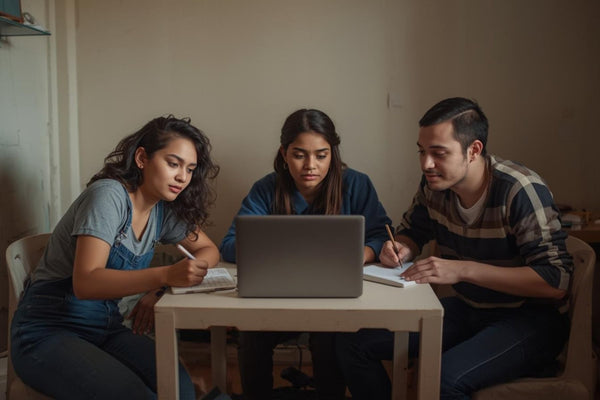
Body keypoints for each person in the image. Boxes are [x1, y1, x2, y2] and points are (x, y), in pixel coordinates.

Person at [335, 97, 573, 399]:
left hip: (531, 319)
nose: (426, 164)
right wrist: (401, 248)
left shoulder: (519, 189)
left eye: (439, 153)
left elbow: (556, 281)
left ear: (473, 150)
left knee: (444, 379)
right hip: (470, 310)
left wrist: (462, 270)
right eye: (422, 152)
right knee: (352, 343)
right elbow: (412, 232)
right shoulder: (434, 186)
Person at [10, 115, 221, 399]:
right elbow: (86, 283)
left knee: (180, 389)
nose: (182, 177)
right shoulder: (108, 196)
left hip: (106, 327)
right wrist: (165, 275)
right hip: (48, 330)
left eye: (190, 169)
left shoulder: (162, 210)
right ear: (142, 158)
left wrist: (162, 289)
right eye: (173, 163)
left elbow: (209, 251)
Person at [220, 108, 392, 400]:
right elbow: (230, 244)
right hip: (275, 298)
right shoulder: (266, 188)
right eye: (299, 154)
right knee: (250, 337)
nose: (310, 165)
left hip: (335, 300)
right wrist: (278, 251)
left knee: (330, 340)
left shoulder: (356, 184)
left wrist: (361, 254)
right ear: (284, 153)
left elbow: (381, 233)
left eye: (321, 155)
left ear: (333, 154)